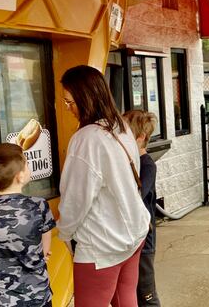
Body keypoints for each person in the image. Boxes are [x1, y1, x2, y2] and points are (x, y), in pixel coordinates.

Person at [57, 65, 151, 307]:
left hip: (101, 242)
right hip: (133, 231)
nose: (67, 109)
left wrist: (64, 233)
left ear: (84, 98)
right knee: (126, 298)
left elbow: (76, 199)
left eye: (70, 102)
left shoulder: (86, 138)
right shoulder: (121, 126)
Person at [0, 143, 56, 307]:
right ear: (20, 176)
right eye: (27, 164)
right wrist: (39, 255)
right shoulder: (39, 206)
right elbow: (45, 250)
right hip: (37, 296)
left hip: (1, 300)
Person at [123, 110, 162, 306]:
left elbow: (135, 197)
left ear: (140, 138)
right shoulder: (126, 163)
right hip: (128, 240)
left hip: (144, 242)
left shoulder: (147, 166)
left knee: (146, 294)